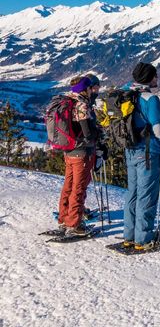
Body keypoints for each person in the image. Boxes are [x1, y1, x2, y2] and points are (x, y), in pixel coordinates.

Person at [123, 62, 160, 251]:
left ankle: (129, 236)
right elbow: (157, 127)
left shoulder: (127, 94)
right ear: (149, 77)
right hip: (147, 152)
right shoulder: (150, 99)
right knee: (147, 196)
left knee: (133, 194)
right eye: (155, 75)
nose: (157, 78)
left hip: (130, 150)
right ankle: (143, 240)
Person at [57, 75, 98, 236]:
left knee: (68, 185)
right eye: (89, 88)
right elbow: (87, 133)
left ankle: (64, 219)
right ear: (85, 89)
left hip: (69, 151)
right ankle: (74, 225)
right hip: (81, 152)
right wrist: (97, 133)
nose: (91, 91)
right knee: (78, 188)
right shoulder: (82, 105)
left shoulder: (68, 100)